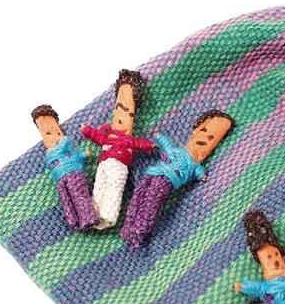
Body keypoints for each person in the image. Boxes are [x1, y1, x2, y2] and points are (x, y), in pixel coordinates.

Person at [120, 110, 233, 247]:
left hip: (167, 182)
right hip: (153, 173)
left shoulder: (193, 165)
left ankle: (138, 231)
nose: (205, 140)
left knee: (151, 201)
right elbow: (167, 145)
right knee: (139, 195)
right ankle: (128, 226)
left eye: (211, 139)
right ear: (196, 131)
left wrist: (202, 175)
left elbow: (199, 171)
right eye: (204, 132)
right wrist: (159, 137)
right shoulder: (177, 151)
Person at [81, 69, 156, 229]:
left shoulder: (128, 139)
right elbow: (96, 136)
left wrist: (151, 145)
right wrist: (86, 130)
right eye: (119, 110)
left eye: (128, 115)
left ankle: (107, 216)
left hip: (119, 166)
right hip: (104, 164)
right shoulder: (108, 134)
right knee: (99, 186)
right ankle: (92, 216)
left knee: (114, 189)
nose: (121, 118)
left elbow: (139, 143)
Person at [32, 104, 98, 230]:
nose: (56, 137)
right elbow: (60, 151)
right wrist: (65, 140)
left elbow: (75, 156)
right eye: (48, 133)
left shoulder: (63, 150)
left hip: (73, 173)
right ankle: (74, 220)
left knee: (78, 195)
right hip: (67, 175)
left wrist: (84, 154)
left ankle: (87, 219)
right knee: (68, 199)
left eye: (58, 132)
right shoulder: (54, 151)